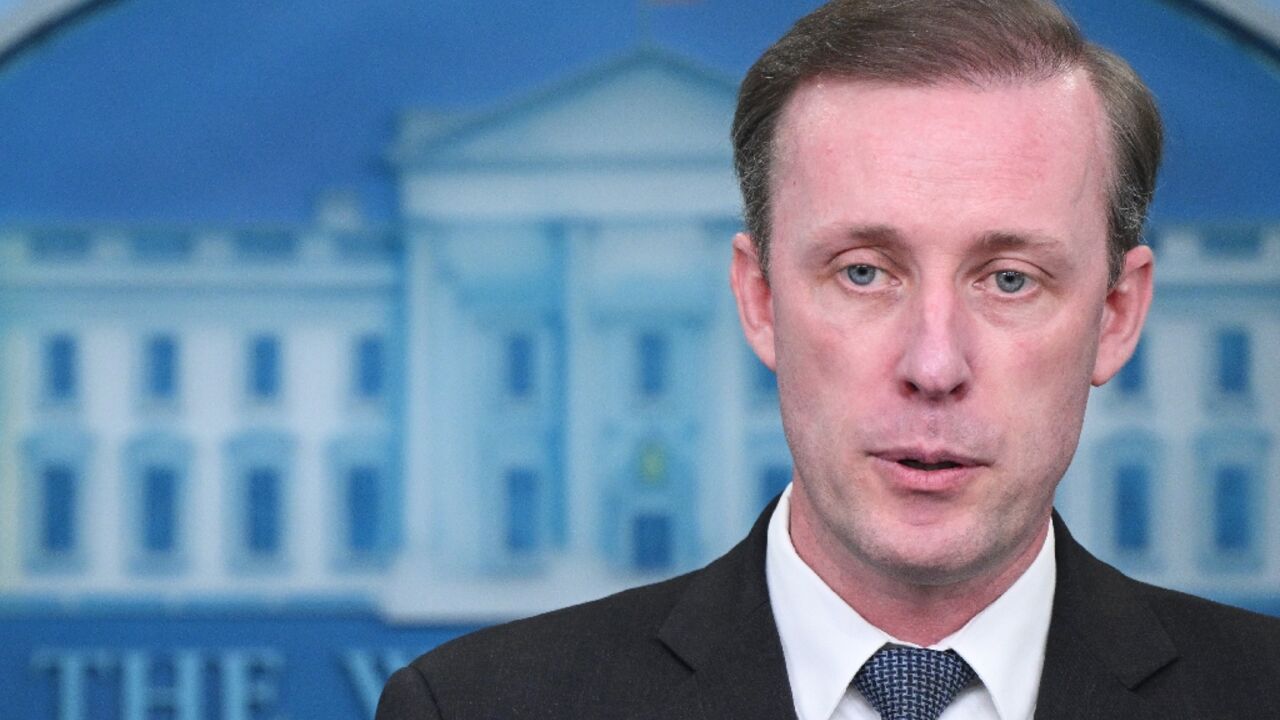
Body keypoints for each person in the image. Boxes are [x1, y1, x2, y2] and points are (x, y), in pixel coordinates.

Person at [377, 1, 1280, 718]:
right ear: (759, 299)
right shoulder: (477, 709)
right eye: (863, 272)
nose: (934, 363)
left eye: (1008, 279)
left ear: (1117, 316)